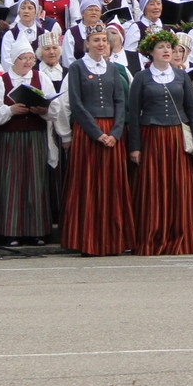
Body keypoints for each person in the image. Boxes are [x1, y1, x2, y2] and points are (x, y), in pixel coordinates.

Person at [128, 30, 193, 255]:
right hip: (152, 136)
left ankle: (178, 238)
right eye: (161, 47)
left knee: (178, 187)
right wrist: (135, 146)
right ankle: (152, 237)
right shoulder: (142, 78)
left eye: (170, 47)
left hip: (177, 137)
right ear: (151, 52)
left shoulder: (181, 76)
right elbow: (133, 113)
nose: (167, 50)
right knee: (153, 187)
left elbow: (192, 110)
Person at [62, 22, 133, 256]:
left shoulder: (113, 68)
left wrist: (115, 133)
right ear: (87, 43)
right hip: (89, 132)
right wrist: (98, 133)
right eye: (96, 40)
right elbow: (76, 103)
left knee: (112, 185)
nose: (101, 44)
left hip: (112, 131)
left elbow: (121, 102)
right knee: (89, 184)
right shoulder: (77, 68)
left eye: (104, 40)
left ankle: (113, 239)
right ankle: (88, 241)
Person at [0, 35, 55, 247]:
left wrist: (43, 110)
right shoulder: (1, 81)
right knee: (10, 182)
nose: (27, 62)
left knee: (35, 182)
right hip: (9, 138)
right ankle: (10, 231)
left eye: (30, 58)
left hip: (34, 136)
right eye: (23, 58)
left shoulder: (41, 78)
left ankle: (36, 231)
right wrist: (10, 110)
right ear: (14, 60)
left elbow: (55, 107)